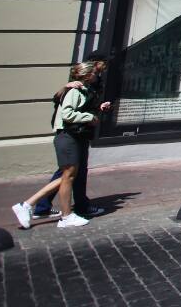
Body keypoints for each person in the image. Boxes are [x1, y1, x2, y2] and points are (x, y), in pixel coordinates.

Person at [11, 62, 102, 229]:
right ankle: (59, 215)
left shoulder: (81, 90)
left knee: (68, 176)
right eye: (94, 73)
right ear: (87, 75)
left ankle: (32, 205)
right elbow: (67, 114)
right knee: (68, 176)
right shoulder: (74, 90)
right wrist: (90, 117)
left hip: (73, 137)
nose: (97, 76)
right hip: (68, 137)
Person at [32, 51, 112, 218]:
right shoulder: (79, 81)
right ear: (96, 64)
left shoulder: (95, 81)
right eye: (104, 64)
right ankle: (39, 205)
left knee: (71, 171)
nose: (105, 68)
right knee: (71, 172)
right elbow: (63, 104)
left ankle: (43, 206)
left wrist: (98, 108)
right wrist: (89, 115)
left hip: (81, 130)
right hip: (72, 131)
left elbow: (86, 105)